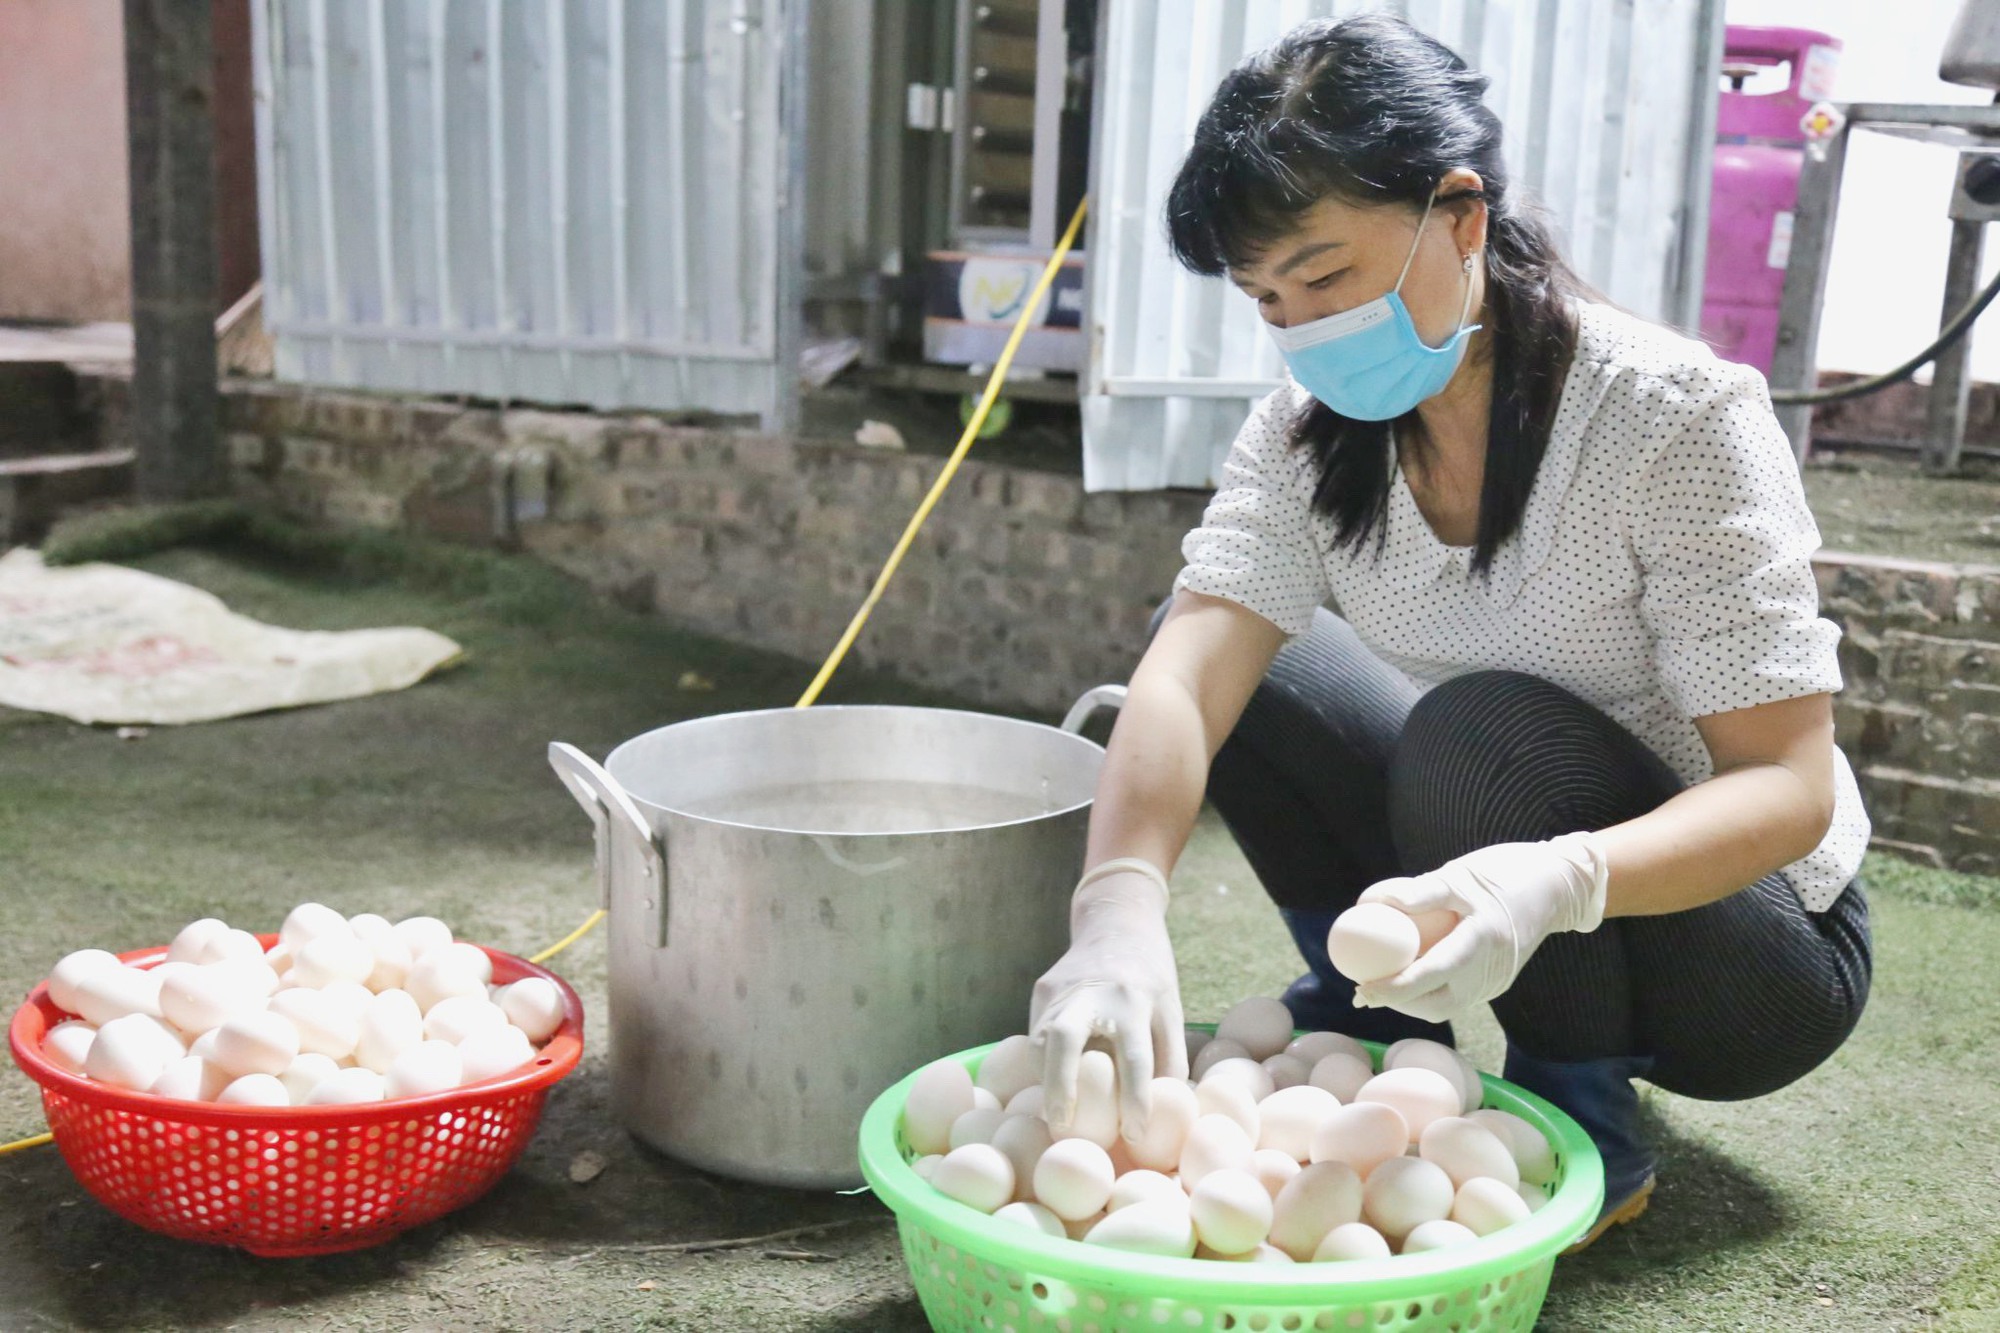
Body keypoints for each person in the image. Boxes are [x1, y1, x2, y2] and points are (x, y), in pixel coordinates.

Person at [1027, 13, 1872, 1252]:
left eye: (1324, 276)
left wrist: (1560, 877)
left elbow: (1784, 790)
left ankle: (1573, 1098)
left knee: (1483, 731)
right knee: (1234, 658)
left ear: (1460, 215)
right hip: (1490, 840)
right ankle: (1376, 1011)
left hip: (1746, 946)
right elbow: (1190, 664)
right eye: (1265, 298)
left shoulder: (1668, 417)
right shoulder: (1307, 434)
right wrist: (1115, 894)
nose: (1301, 327)